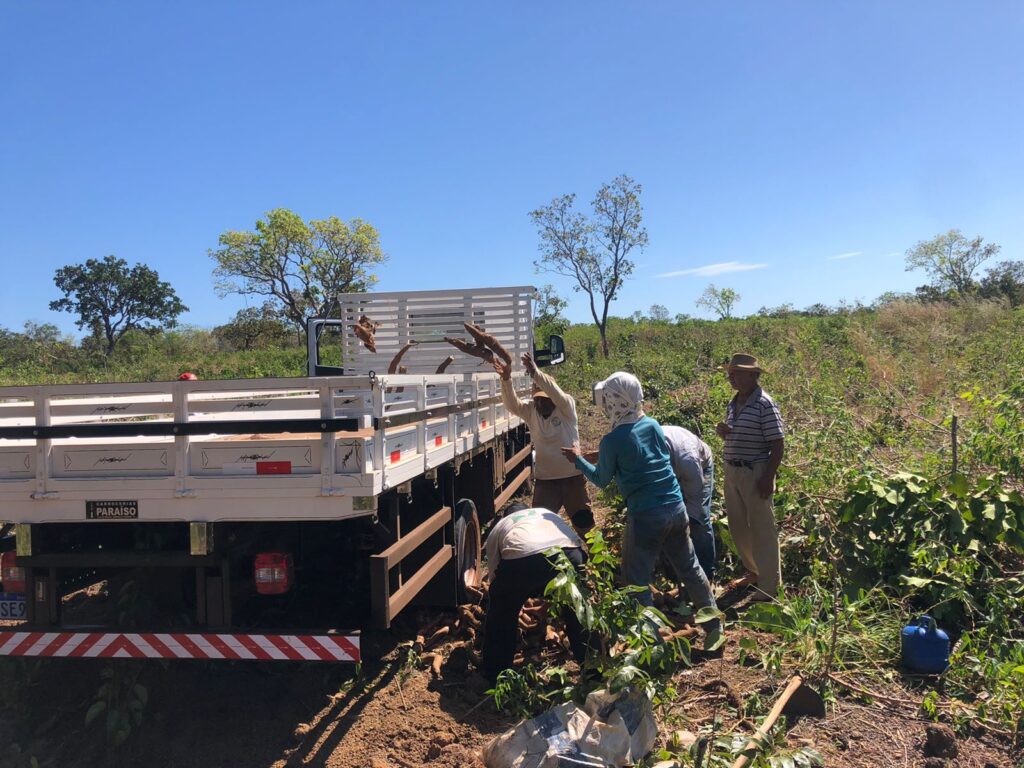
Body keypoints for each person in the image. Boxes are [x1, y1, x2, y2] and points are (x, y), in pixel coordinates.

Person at [561, 372, 719, 636]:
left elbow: (601, 479)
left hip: (646, 515)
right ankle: (715, 628)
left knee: (636, 581)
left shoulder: (611, 441)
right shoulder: (653, 425)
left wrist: (578, 459)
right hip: (676, 507)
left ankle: (653, 642)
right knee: (690, 569)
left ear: (613, 402)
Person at [481, 503, 589, 684]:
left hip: (523, 560)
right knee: (577, 612)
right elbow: (574, 541)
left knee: (502, 616)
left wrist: (510, 599)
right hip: (569, 555)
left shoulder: (501, 525)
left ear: (507, 515)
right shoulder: (545, 512)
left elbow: (494, 575)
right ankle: (592, 669)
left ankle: (497, 674)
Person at [494, 353, 593, 530]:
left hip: (572, 479)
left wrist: (535, 373)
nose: (540, 404)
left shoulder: (566, 408)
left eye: (545, 399)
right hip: (546, 482)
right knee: (539, 529)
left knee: (585, 527)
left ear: (553, 398)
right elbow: (512, 405)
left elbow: (556, 392)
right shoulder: (531, 411)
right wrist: (506, 380)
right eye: (537, 399)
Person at [715, 353, 785, 601]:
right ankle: (755, 571)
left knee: (762, 529)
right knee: (738, 527)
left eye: (737, 374)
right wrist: (726, 433)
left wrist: (767, 477)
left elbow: (777, 444)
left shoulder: (764, 404)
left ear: (753, 375)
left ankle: (769, 586)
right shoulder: (735, 402)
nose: (732, 378)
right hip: (733, 471)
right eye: (730, 374)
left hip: (754, 472)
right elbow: (741, 434)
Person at [662, 425, 716, 583]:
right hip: (677, 471)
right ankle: (677, 576)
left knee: (698, 520)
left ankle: (707, 575)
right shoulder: (647, 450)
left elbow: (694, 493)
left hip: (701, 468)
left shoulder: (688, 459)